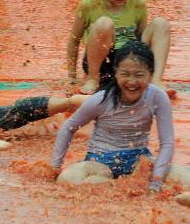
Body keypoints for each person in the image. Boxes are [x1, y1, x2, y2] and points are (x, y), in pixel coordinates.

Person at [53, 41, 190, 192]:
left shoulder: (157, 97)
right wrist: (55, 167)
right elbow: (69, 127)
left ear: (151, 75)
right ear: (116, 73)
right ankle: (120, 186)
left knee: (185, 179)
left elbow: (167, 143)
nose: (132, 82)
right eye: (125, 74)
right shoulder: (101, 100)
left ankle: (123, 185)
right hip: (100, 163)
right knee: (67, 179)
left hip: (139, 162)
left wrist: (155, 183)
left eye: (139, 75)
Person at [67, 0, 172, 96]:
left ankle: (156, 80)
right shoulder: (89, 4)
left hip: (130, 59)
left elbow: (142, 37)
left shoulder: (137, 3)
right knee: (104, 23)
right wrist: (71, 76)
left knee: (161, 23)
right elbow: (74, 40)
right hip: (103, 62)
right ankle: (93, 79)